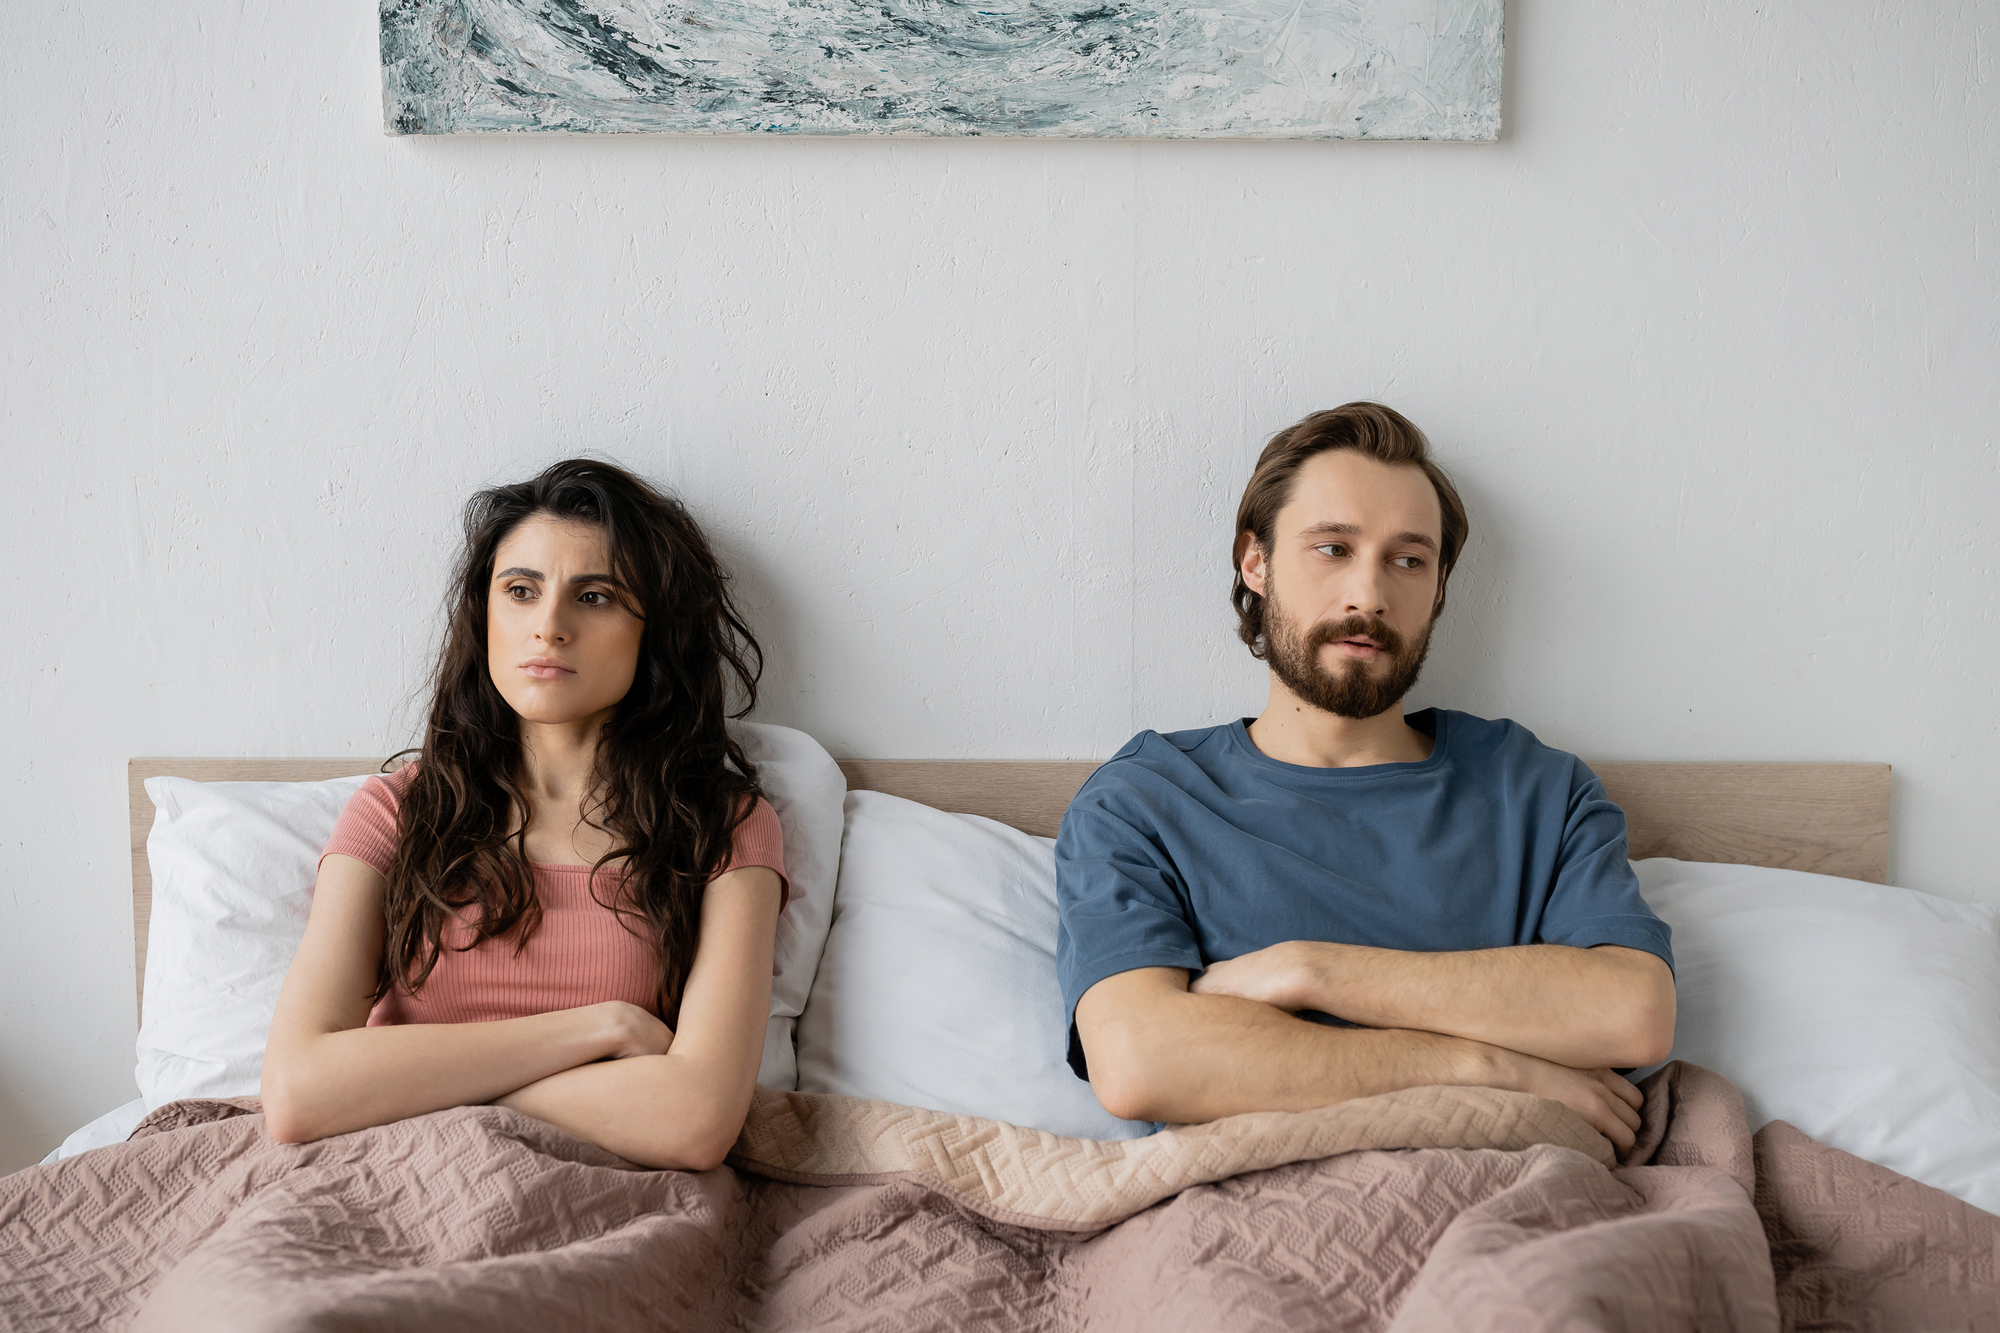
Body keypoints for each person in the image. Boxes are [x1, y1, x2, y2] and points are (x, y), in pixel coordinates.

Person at [1055, 404, 1676, 1151]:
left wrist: (1308, 970)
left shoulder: (1536, 790)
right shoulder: (1145, 801)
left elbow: (1633, 1012)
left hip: (1505, 1208)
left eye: (1408, 560)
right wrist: (1485, 1067)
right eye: (1332, 548)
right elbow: (1138, 1058)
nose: (1369, 595)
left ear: (1440, 586)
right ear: (1255, 562)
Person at [261, 459, 787, 1170]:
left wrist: (402, 1085)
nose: (549, 626)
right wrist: (605, 1028)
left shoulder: (723, 828)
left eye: (594, 595)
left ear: (653, 629)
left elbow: (694, 1120)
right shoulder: (396, 813)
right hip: (384, 1180)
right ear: (485, 615)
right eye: (520, 591)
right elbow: (296, 1092)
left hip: (613, 1203)